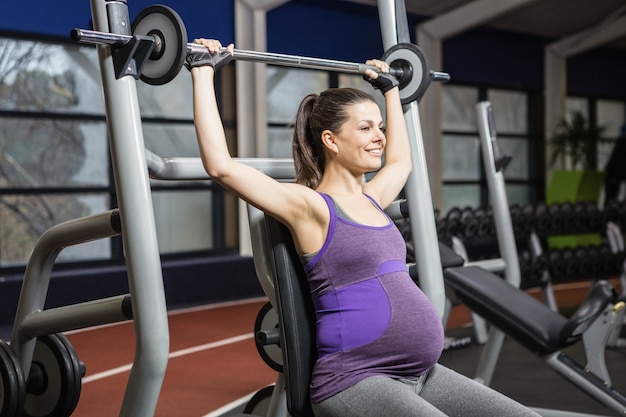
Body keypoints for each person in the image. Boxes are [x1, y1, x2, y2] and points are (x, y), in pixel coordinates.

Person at [187, 39, 540, 417]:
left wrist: (391, 90)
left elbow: (401, 162)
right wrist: (203, 70)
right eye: (366, 128)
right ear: (331, 140)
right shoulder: (310, 207)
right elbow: (221, 167)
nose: (380, 137)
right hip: (354, 379)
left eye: (381, 128)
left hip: (419, 374)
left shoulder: (372, 198)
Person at [604, 123, 626, 205]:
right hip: (613, 174)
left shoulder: (621, 141)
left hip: (615, 174)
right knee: (611, 197)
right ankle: (609, 213)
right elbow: (617, 162)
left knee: (611, 197)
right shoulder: (622, 142)